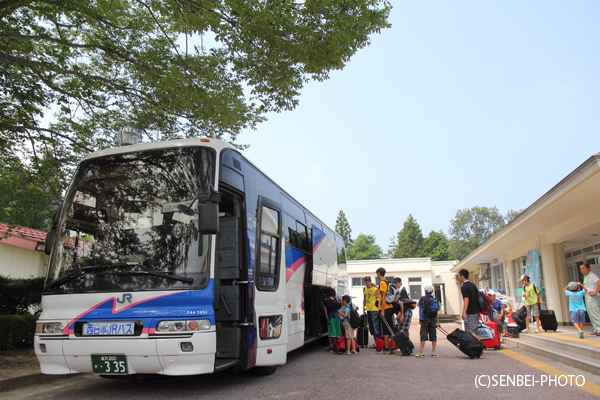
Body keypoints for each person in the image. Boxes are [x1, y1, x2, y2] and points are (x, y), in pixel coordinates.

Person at [415, 285, 440, 358]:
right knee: (433, 334)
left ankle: (422, 351)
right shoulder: (434, 299)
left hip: (425, 318)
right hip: (433, 318)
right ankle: (433, 352)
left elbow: (420, 309)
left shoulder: (422, 298)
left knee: (423, 334)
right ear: (431, 291)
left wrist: (420, 318)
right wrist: (438, 322)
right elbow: (436, 312)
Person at [376, 267, 396, 355]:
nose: (377, 276)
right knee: (391, 328)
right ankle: (393, 348)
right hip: (390, 307)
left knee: (385, 329)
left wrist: (382, 310)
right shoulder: (388, 282)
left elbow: (383, 296)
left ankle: (386, 349)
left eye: (377, 274)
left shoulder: (382, 283)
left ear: (379, 273)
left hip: (385, 308)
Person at [457, 269, 480, 340]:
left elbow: (466, 299)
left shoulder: (464, 287)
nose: (458, 277)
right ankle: (478, 348)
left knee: (470, 331)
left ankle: (478, 346)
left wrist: (464, 312)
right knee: (476, 331)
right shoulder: (473, 285)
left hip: (470, 312)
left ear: (462, 276)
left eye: (459, 276)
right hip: (476, 311)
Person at [580, 264, 600, 336]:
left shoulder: (592, 275)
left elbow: (599, 282)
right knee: (591, 313)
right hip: (587, 295)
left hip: (592, 296)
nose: (582, 270)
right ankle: (596, 329)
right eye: (581, 269)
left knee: (595, 313)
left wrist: (596, 291)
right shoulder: (586, 276)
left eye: (583, 268)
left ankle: (599, 329)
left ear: (588, 268)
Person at [362, 276, 380, 348]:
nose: (367, 283)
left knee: (375, 326)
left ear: (370, 281)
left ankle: (377, 343)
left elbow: (378, 299)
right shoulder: (365, 289)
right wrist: (364, 306)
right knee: (371, 327)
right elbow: (364, 299)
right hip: (368, 309)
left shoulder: (375, 289)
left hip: (374, 309)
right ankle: (375, 342)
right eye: (366, 282)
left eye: (368, 281)